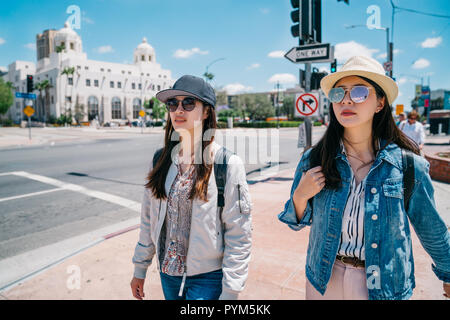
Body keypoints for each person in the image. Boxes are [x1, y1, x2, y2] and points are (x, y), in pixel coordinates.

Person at [278, 55, 450, 300]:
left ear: (380, 103)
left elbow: (431, 228)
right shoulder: (315, 159)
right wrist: (299, 197)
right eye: (339, 93)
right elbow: (294, 221)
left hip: (384, 285)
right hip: (324, 279)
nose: (347, 99)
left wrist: (448, 274)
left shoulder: (408, 166)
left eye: (359, 92)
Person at [130, 75, 252, 300]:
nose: (178, 110)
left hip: (208, 279)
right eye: (172, 103)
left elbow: (239, 234)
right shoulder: (160, 160)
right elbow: (149, 219)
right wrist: (140, 268)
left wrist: (231, 291)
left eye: (188, 103)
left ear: (206, 112)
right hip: (168, 274)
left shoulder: (227, 164)